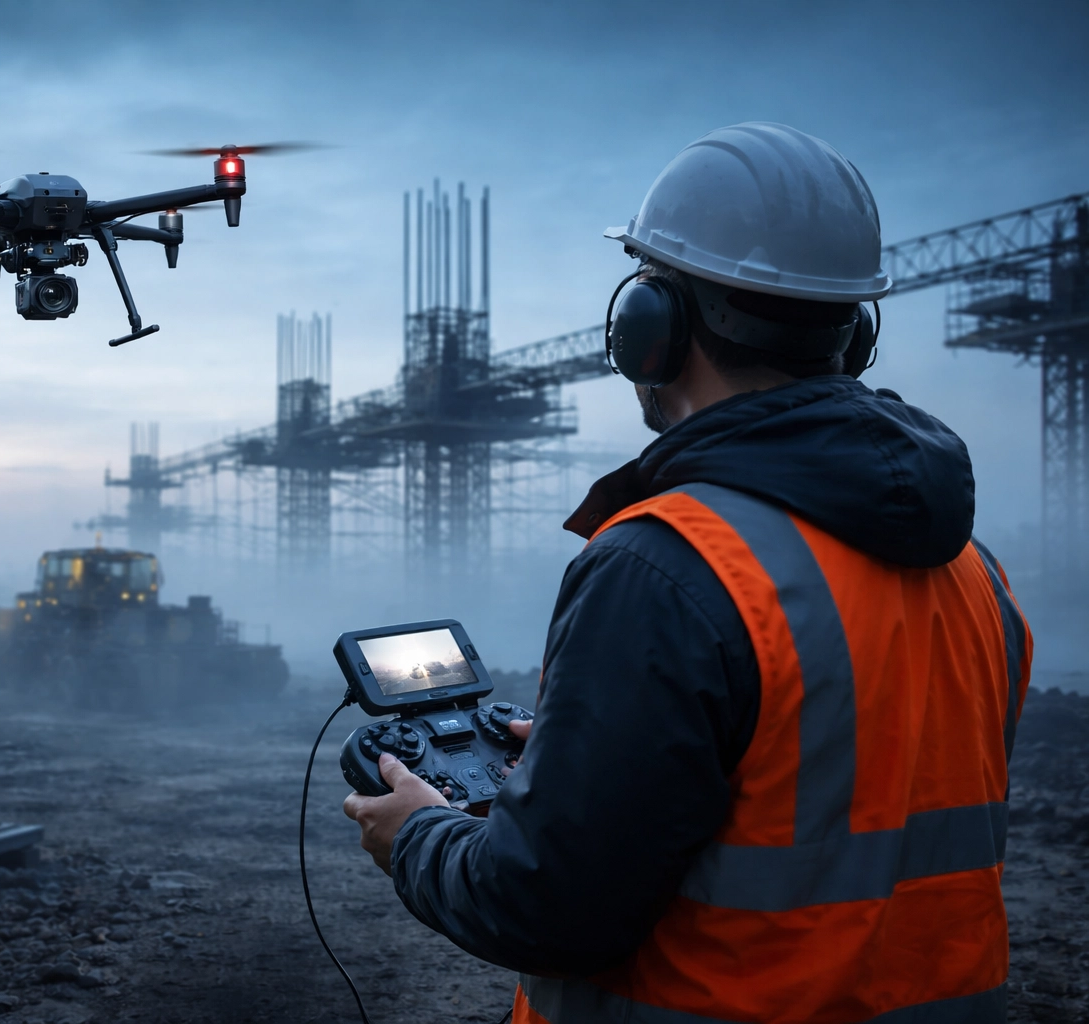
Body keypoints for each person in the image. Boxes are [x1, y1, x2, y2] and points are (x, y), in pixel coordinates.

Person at [342, 122, 1032, 1023]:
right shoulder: (974, 571)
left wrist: (417, 837)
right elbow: (833, 789)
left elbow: (545, 909)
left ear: (649, 330)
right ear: (854, 332)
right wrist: (595, 760)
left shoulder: (662, 569)